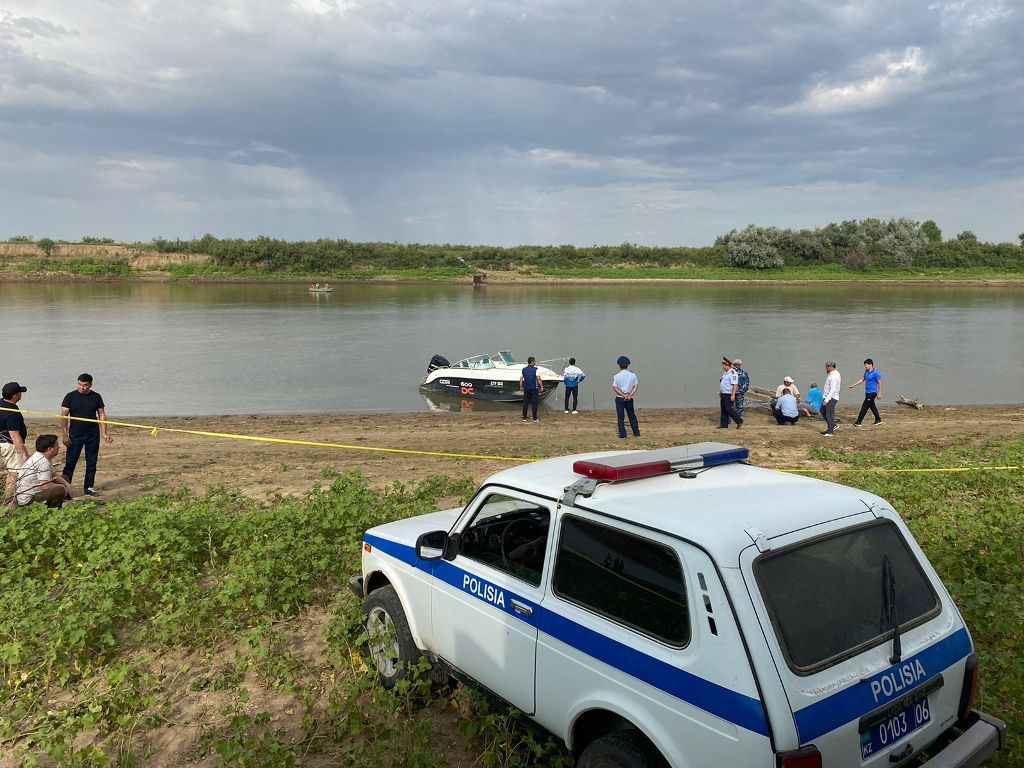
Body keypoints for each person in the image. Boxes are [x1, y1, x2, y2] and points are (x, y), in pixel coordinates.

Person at [60, 373, 113, 497]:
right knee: (70, 462)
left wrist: (104, 433)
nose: (82, 387)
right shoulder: (70, 396)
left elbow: (101, 414)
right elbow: (63, 416)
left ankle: (89, 487)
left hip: (92, 434)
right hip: (75, 434)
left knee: (91, 461)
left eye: (85, 385)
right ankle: (66, 488)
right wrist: (65, 434)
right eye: (80, 384)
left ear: (90, 385)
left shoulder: (96, 397)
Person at [15, 434, 73, 508]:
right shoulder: (42, 462)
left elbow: (53, 474)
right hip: (28, 499)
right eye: (57, 445)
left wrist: (67, 484)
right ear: (50, 449)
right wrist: (64, 488)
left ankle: (62, 500)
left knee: (64, 478)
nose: (59, 447)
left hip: (36, 490)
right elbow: (46, 486)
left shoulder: (44, 456)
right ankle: (54, 510)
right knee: (59, 489)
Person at [1, 382, 30, 499]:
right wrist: (24, 454)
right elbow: (15, 437)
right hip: (8, 446)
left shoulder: (1, 403)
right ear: (15, 396)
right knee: (14, 474)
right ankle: (8, 501)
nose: (21, 395)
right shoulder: (12, 413)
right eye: (19, 393)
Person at [849, 358, 884, 427]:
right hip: (867, 393)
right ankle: (878, 420)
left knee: (864, 407)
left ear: (871, 364)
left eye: (866, 365)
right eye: (865, 365)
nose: (865, 366)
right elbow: (862, 379)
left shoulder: (876, 373)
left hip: (872, 393)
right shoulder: (866, 372)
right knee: (872, 406)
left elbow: (880, 383)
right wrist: (853, 385)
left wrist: (880, 393)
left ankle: (858, 422)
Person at [612, 356, 640, 438]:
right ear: (628, 365)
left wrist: (623, 395)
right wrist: (630, 395)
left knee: (621, 416)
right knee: (632, 416)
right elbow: (636, 386)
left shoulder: (617, 376)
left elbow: (615, 387)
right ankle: (636, 432)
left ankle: (623, 434)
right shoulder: (632, 375)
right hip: (629, 397)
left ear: (619, 365)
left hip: (620, 397)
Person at [718, 357, 743, 429]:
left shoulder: (733, 373)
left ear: (727, 365)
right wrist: (720, 392)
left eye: (723, 365)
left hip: (729, 394)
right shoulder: (725, 373)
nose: (723, 367)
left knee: (729, 409)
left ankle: (739, 420)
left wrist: (733, 395)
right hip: (723, 393)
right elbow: (723, 383)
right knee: (723, 409)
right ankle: (724, 425)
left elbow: (735, 384)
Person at [820, 361, 841, 436]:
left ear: (830, 367)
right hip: (828, 397)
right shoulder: (833, 374)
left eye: (826, 367)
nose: (826, 369)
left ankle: (830, 431)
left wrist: (826, 400)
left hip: (831, 398)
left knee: (829, 414)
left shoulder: (833, 376)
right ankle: (833, 425)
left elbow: (833, 389)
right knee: (822, 410)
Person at [519, 357, 544, 422]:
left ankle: (524, 417)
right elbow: (538, 378)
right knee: (534, 403)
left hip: (526, 388)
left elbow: (521, 379)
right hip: (534, 388)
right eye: (534, 361)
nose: (535, 362)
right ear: (532, 362)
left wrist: (521, 387)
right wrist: (541, 386)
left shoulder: (523, 369)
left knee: (525, 403)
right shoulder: (536, 369)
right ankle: (534, 418)